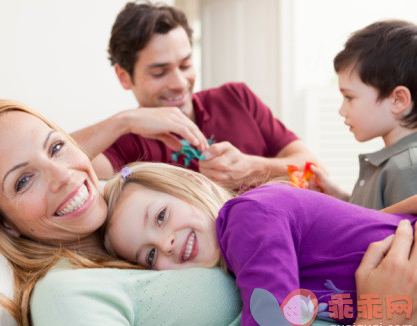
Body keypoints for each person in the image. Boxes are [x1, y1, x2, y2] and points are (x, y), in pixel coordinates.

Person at [0, 99, 246, 326]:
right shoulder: (65, 292)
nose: (63, 175)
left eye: (56, 147)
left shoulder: (129, 211)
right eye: (23, 181)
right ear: (5, 223)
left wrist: (127, 120)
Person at [101, 162, 417, 326]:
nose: (165, 243)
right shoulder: (241, 258)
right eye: (150, 255)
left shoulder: (245, 217)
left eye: (160, 217)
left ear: (196, 184)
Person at [71, 1, 318, 189]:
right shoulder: (124, 142)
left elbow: (312, 167)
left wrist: (253, 168)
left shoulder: (236, 97)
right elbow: (55, 165)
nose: (179, 83)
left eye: (186, 65)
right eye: (159, 72)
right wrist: (124, 121)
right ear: (124, 77)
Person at [309, 20, 417, 209]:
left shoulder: (408, 168)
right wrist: (341, 198)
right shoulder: (395, 163)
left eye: (349, 97)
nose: (341, 110)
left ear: (398, 100)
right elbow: (377, 220)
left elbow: (399, 235)